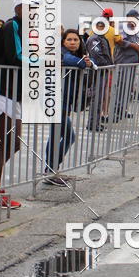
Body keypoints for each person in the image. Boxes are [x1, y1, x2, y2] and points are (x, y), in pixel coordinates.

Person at [0, 0, 27, 209]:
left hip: (14, 92)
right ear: (19, 8)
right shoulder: (12, 26)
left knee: (14, 142)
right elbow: (15, 56)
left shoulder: (24, 28)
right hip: (2, 89)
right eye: (31, 8)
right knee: (2, 141)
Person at [44, 30, 92, 186]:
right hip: (55, 100)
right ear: (63, 41)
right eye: (69, 39)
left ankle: (51, 169)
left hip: (64, 102)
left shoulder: (74, 55)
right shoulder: (62, 53)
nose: (73, 42)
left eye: (76, 40)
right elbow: (79, 62)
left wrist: (86, 61)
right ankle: (50, 171)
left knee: (65, 135)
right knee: (59, 135)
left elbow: (88, 64)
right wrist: (85, 62)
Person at [112, 9, 139, 121]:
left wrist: (138, 46)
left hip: (132, 64)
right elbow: (120, 41)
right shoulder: (122, 27)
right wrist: (133, 46)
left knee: (127, 88)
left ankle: (123, 110)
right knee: (121, 88)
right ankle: (116, 111)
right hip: (124, 63)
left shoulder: (134, 31)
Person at [85, 14, 113, 131]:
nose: (102, 28)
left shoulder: (102, 38)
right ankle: (92, 124)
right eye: (99, 25)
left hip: (102, 71)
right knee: (96, 98)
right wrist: (108, 65)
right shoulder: (94, 39)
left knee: (99, 98)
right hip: (97, 71)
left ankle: (95, 122)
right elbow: (97, 56)